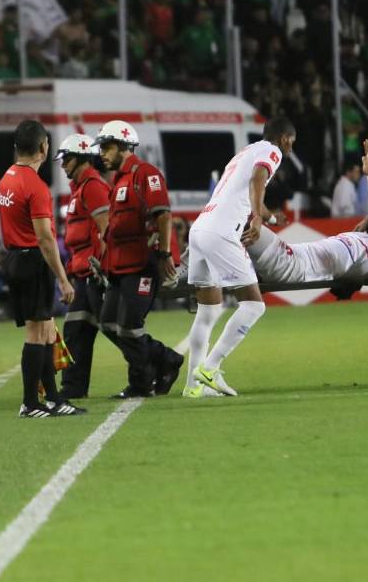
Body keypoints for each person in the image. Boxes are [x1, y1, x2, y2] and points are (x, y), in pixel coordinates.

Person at [184, 117, 297, 398]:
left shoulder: (244, 152)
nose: (290, 148)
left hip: (200, 228)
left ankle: (193, 387)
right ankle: (210, 369)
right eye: (291, 143)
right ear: (284, 138)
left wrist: (269, 216)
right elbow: (258, 178)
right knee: (254, 306)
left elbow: (244, 192)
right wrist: (258, 216)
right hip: (221, 232)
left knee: (207, 311)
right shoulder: (272, 151)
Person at [0, 120, 83, 418]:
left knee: (46, 331)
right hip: (31, 260)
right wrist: (63, 278)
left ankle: (54, 399)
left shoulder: (7, 178)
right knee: (36, 333)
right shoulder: (35, 186)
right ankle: (30, 402)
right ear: (44, 147)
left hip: (16, 258)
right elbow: (45, 238)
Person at [97, 120, 185, 399]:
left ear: (124, 146)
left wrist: (164, 253)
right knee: (108, 324)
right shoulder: (119, 180)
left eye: (107, 147)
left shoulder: (146, 174)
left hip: (142, 263)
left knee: (129, 328)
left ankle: (141, 383)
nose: (102, 153)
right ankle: (166, 359)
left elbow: (163, 214)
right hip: (120, 266)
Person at [247, 140, 368, 288]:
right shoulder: (364, 239)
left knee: (240, 221)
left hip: (295, 266)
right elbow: (352, 273)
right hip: (291, 252)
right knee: (239, 222)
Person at [54, 134, 112, 399]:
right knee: (76, 330)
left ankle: (162, 362)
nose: (63, 164)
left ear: (82, 158)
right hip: (83, 273)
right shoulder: (80, 188)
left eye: (67, 159)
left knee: (116, 329)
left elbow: (106, 230)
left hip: (94, 273)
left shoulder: (92, 187)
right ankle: (72, 388)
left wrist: (103, 268)